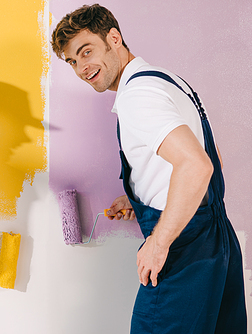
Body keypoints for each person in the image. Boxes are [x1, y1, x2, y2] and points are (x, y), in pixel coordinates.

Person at [52, 4, 247, 334]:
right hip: (218, 242)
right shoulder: (166, 81)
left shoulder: (137, 96)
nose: (82, 67)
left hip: (184, 250)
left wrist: (159, 242)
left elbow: (197, 166)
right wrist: (140, 194)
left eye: (86, 52)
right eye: (72, 61)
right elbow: (212, 164)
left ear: (113, 38)